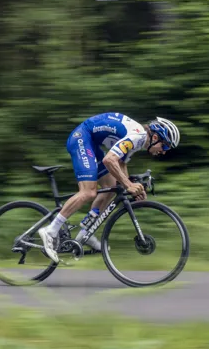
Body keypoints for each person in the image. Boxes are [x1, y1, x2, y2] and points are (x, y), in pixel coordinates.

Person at [38, 112, 180, 263]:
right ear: (155, 138)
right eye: (164, 145)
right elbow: (109, 160)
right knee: (89, 192)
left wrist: (132, 188)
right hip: (82, 137)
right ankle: (51, 231)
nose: (164, 151)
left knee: (111, 187)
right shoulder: (137, 136)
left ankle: (85, 233)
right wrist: (129, 185)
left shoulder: (138, 141)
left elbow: (121, 164)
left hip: (92, 143)